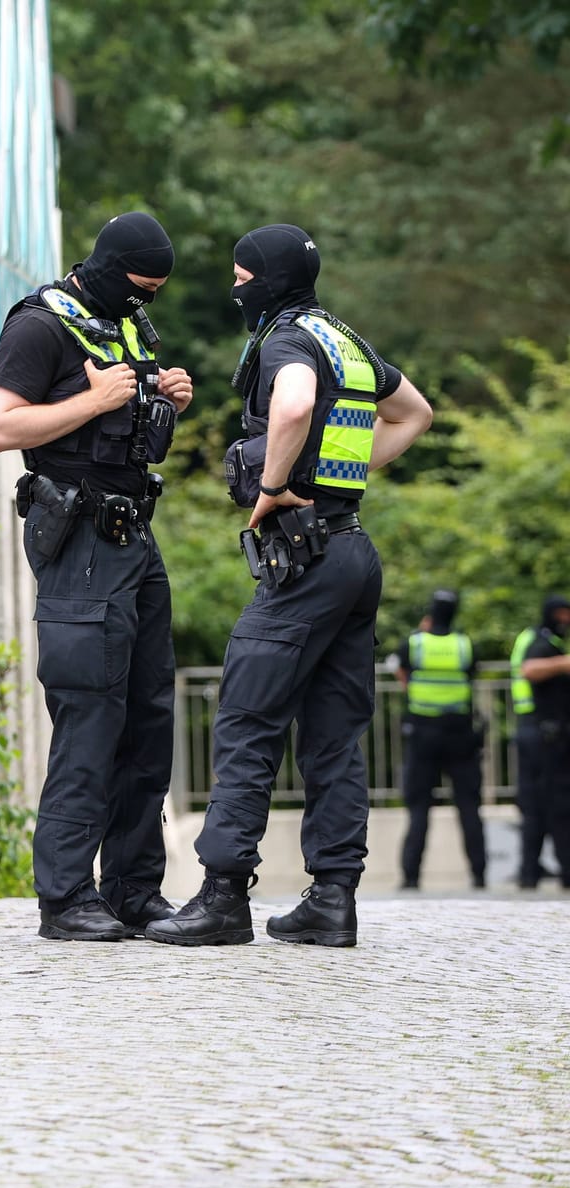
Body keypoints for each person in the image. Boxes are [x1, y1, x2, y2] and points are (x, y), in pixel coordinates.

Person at [148, 224, 433, 949]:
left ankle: (220, 898)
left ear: (265, 280)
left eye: (242, 276)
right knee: (335, 738)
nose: (236, 287)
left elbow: (296, 404)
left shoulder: (286, 342)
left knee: (247, 717)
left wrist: (275, 487)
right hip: (353, 552)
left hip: (303, 562)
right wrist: (345, 474)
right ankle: (332, 899)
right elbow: (415, 413)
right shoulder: (343, 336)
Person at [0, 212, 192, 940]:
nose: (146, 299)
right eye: (140, 285)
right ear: (106, 267)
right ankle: (66, 896)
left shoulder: (125, 322)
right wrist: (92, 402)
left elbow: (126, 420)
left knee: (147, 718)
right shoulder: (39, 325)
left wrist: (164, 397)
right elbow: (1, 427)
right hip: (83, 544)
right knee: (90, 715)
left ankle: (134, 889)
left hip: (137, 536)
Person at [394, 589, 487, 888]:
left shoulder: (415, 643)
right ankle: (479, 875)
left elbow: (400, 669)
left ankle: (410, 878)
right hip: (460, 734)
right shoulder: (464, 644)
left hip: (423, 733)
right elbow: (471, 675)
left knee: (419, 807)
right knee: (469, 807)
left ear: (430, 613)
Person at [513, 594, 570, 888]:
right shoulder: (541, 641)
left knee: (536, 805)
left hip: (536, 731)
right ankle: (556, 871)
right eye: (562, 613)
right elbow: (530, 670)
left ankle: (529, 873)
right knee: (556, 805)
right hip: (543, 734)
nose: (566, 619)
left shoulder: (541, 639)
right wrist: (565, 664)